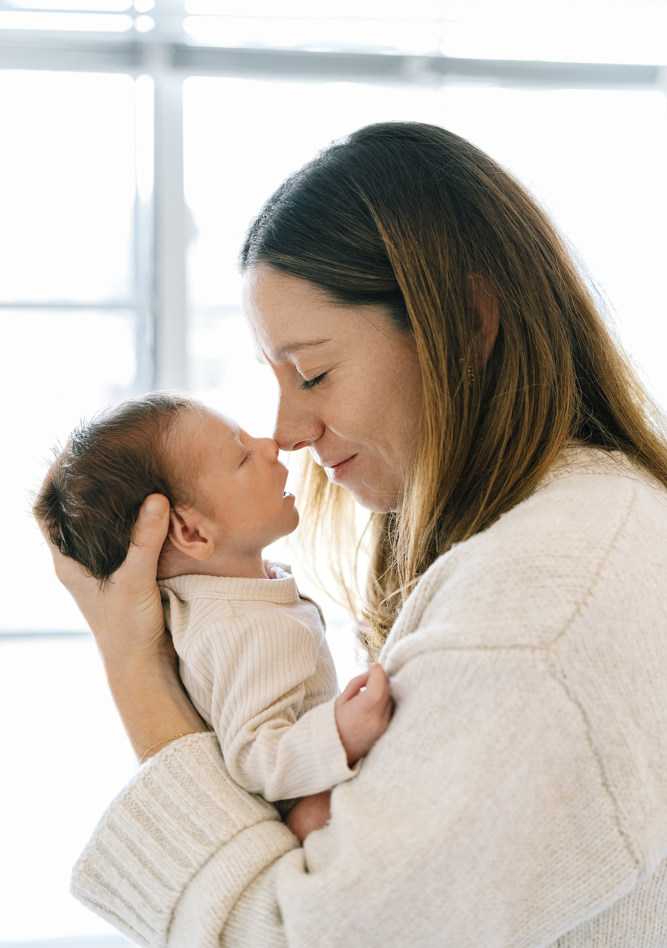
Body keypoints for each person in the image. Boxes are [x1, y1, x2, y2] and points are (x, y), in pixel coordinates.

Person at [41, 122, 667, 947]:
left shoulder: (532, 616)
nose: (287, 430)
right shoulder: (584, 532)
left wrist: (136, 670)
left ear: (467, 323)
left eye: (313, 373)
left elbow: (301, 938)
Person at [33, 392, 391, 820]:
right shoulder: (242, 627)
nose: (269, 444)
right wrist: (341, 733)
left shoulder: (227, 600)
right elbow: (256, 758)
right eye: (242, 457)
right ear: (193, 533)